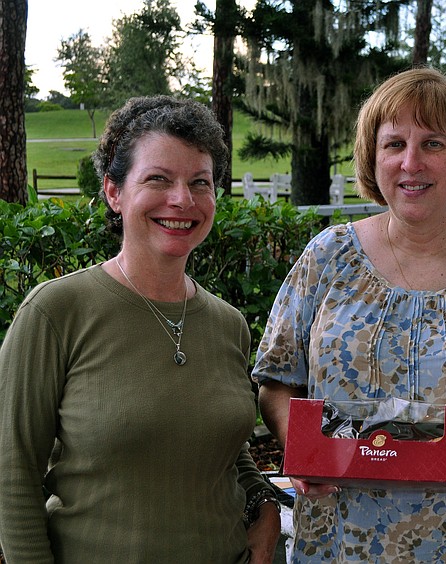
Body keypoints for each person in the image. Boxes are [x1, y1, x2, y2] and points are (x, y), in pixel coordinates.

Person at [252, 67, 446, 562]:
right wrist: (302, 445)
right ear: (372, 157)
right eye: (394, 143)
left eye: (433, 144)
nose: (411, 162)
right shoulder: (328, 258)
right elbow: (276, 381)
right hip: (344, 542)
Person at [0, 96, 280, 563]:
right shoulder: (55, 313)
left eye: (200, 182)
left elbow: (225, 451)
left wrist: (265, 503)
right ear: (113, 191)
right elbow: (12, 475)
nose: (182, 200)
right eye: (158, 179)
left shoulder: (229, 325)